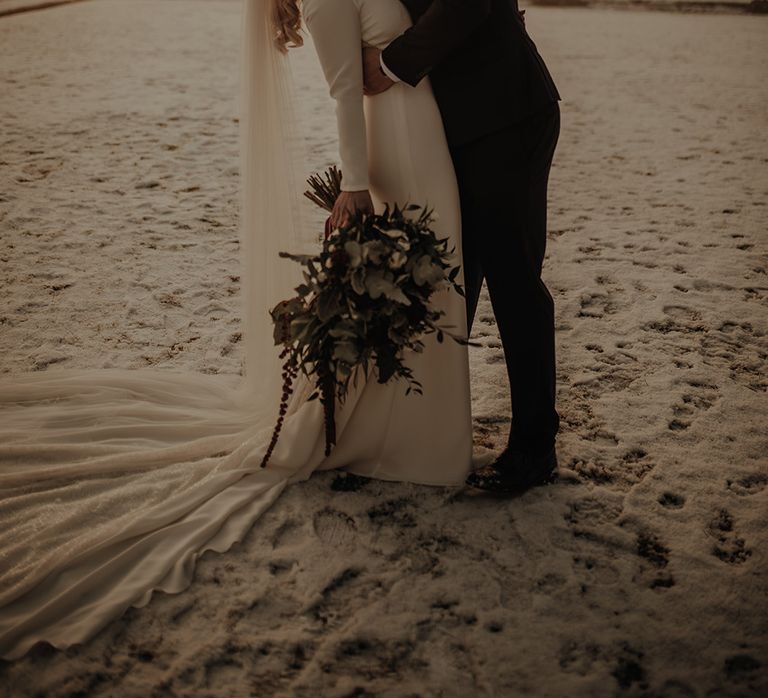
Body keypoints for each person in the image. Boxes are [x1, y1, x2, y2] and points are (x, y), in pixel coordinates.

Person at [0, 0, 475, 659]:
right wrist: (358, 185)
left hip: (418, 127)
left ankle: (420, 435)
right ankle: (410, 444)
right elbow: (343, 88)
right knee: (426, 281)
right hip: (398, 142)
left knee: (430, 286)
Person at [360, 0, 562, 494]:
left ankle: (535, 448)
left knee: (514, 283)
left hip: (505, 118)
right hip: (456, 126)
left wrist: (389, 64)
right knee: (453, 282)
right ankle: (430, 431)